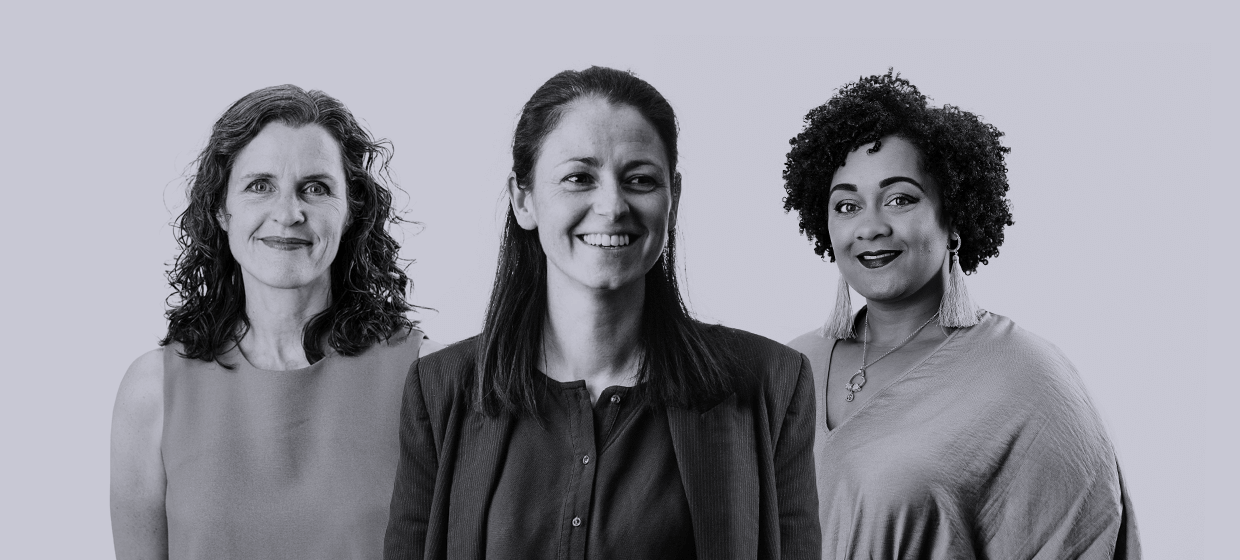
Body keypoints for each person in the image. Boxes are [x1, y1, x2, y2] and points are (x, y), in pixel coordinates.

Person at [383, 66, 820, 560]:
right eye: (578, 177)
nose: (612, 205)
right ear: (523, 199)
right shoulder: (441, 391)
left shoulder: (771, 384)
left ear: (672, 201)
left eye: (639, 179)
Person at [782, 71, 1140, 558]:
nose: (869, 226)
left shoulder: (1027, 381)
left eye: (900, 199)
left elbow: (1088, 537)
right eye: (847, 205)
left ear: (952, 217)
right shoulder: (785, 367)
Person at [110, 84, 440, 560]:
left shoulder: (425, 378)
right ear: (221, 209)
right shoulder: (151, 391)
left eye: (316, 187)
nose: (288, 214)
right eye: (259, 186)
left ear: (350, 213)